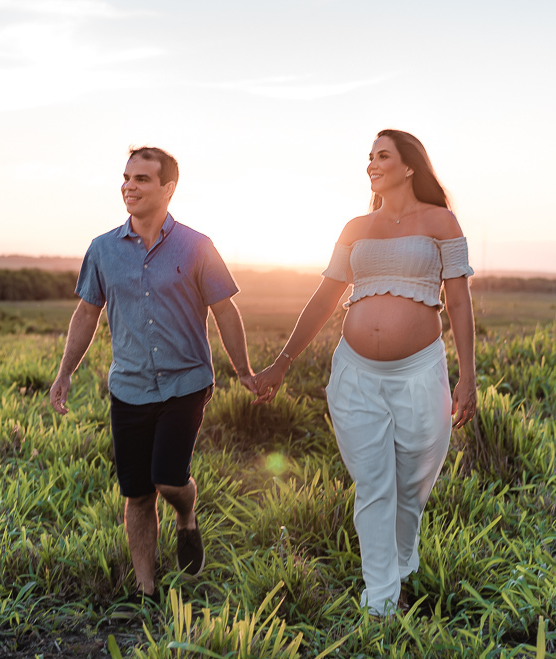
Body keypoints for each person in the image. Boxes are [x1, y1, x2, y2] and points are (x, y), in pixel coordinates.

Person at [253, 130, 478, 616]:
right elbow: (323, 299)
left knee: (413, 480)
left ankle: (400, 559)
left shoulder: (441, 221)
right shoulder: (355, 226)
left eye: (383, 155)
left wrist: (468, 376)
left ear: (410, 166)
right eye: (369, 156)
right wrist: (282, 362)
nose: (372, 163)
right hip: (355, 374)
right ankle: (381, 601)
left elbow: (458, 301)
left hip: (420, 371)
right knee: (375, 484)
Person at [49, 146, 257, 605]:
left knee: (167, 479)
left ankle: (187, 514)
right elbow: (86, 313)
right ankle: (147, 592)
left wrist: (242, 369)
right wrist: (65, 373)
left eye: (142, 179)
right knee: (138, 494)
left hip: (186, 383)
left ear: (168, 188)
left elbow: (225, 308)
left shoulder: (197, 245)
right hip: (128, 386)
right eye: (126, 178)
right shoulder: (102, 249)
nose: (129, 186)